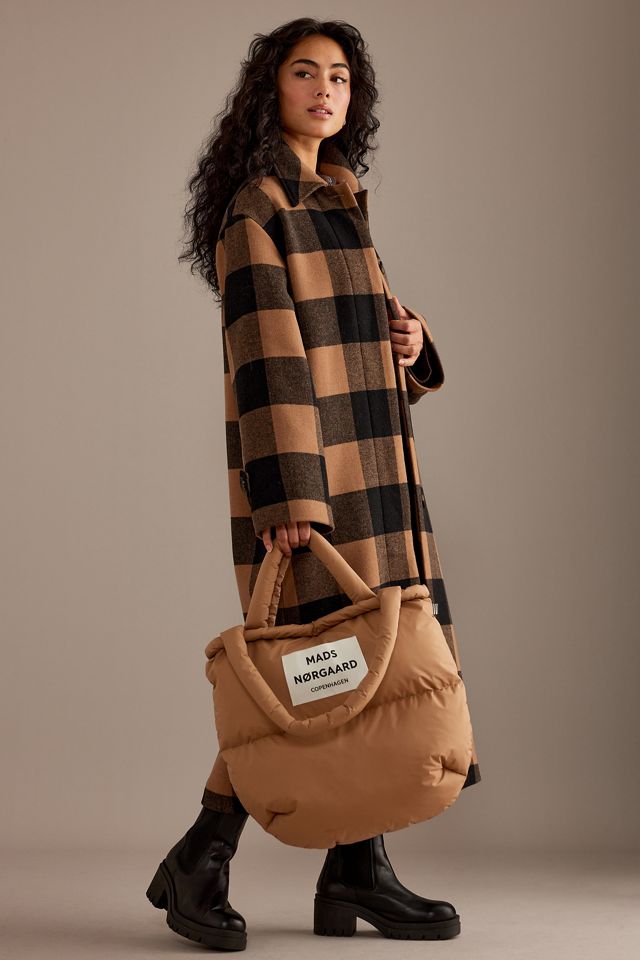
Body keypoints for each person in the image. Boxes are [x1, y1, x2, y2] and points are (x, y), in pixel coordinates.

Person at [146, 17, 481, 951]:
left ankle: (354, 873)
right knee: (311, 672)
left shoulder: (339, 199)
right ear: (272, 90)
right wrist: (291, 496)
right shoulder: (258, 210)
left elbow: (358, 351)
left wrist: (413, 344)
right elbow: (267, 357)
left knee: (366, 669)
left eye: (339, 76)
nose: (326, 89)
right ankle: (201, 858)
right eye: (305, 72)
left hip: (377, 477)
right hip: (318, 490)